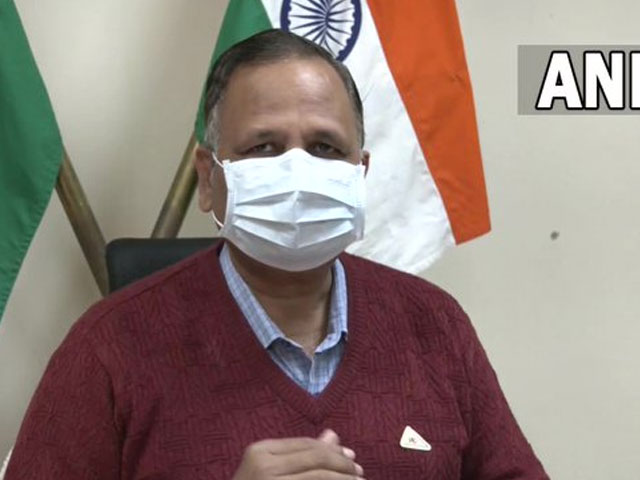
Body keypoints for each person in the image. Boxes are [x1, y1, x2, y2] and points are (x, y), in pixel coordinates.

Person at [5, 30, 549, 479]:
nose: (297, 172)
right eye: (263, 147)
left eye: (324, 148)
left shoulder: (433, 325)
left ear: (359, 175)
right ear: (209, 179)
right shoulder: (110, 348)